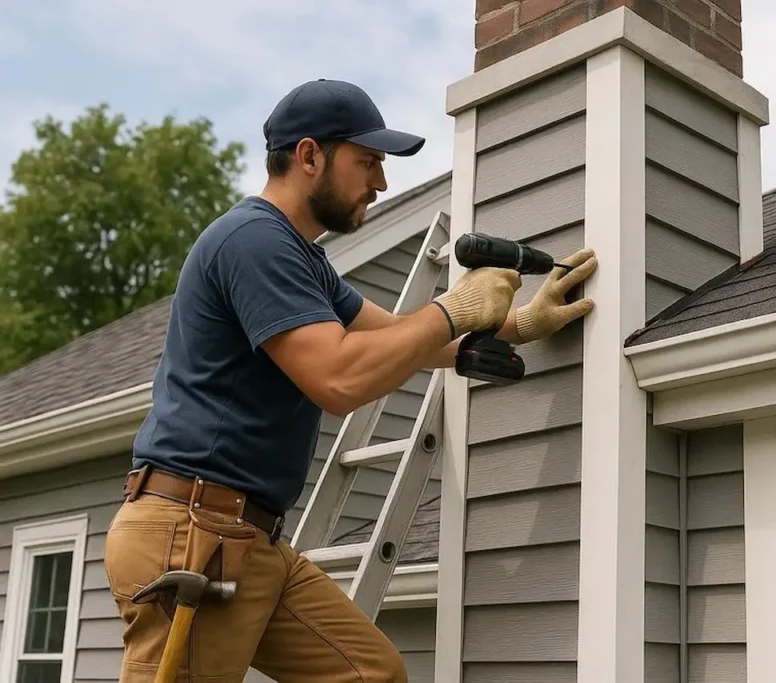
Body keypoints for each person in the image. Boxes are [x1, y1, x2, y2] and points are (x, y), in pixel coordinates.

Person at [102, 78, 598, 682]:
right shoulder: (253, 241)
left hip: (249, 537)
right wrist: (456, 307)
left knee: (371, 674)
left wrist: (519, 322)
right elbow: (338, 377)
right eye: (367, 162)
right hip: (195, 532)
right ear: (310, 156)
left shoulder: (303, 258)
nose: (382, 182)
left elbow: (390, 337)